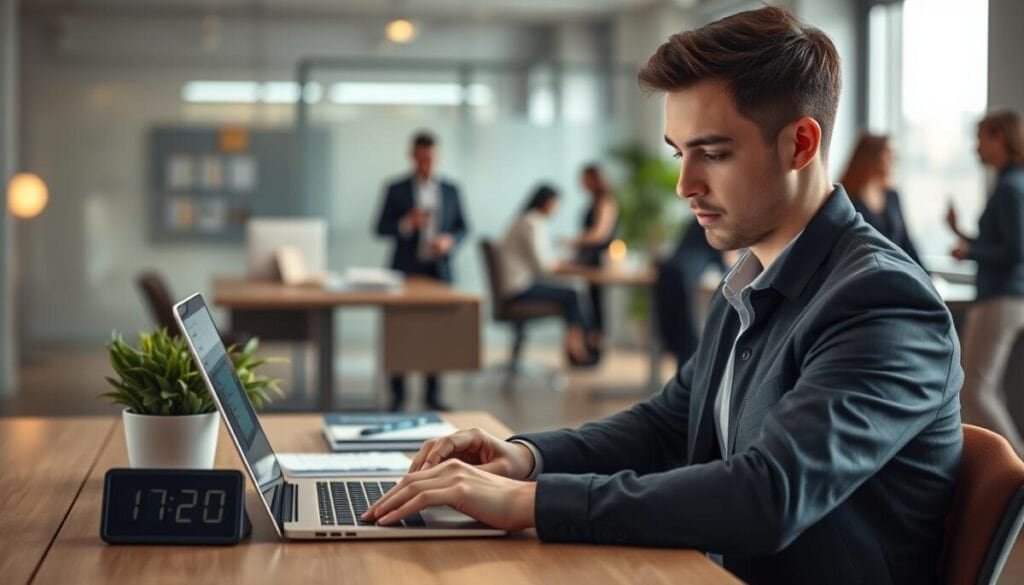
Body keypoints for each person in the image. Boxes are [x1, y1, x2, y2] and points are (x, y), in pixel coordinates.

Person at [364, 7, 962, 585]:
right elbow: (668, 426)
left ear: (800, 144)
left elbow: (767, 495)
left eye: (714, 153)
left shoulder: (882, 301)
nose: (685, 185)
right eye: (681, 153)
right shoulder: (751, 281)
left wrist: (532, 502)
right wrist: (523, 458)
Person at [947, 110, 1024, 456]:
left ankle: (1017, 470)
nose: (976, 146)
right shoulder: (1011, 183)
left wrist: (971, 251)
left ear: (999, 138)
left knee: (975, 389)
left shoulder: (1010, 187)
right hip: (1003, 296)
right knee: (986, 388)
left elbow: (1015, 250)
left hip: (1001, 297)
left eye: (981, 138)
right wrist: (961, 235)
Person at [374, 131, 469, 412]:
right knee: (400, 332)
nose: (426, 162)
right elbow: (379, 227)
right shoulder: (396, 188)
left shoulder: (451, 189)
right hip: (404, 269)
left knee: (436, 333)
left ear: (437, 157)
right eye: (421, 157)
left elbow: (463, 227)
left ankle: (432, 393)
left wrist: (449, 241)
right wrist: (406, 224)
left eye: (431, 157)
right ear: (412, 156)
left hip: (439, 270)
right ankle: (397, 395)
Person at [499, 185, 596, 367]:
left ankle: (580, 342)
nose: (556, 209)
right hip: (519, 288)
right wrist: (566, 266)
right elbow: (543, 266)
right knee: (573, 294)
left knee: (573, 289)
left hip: (515, 285)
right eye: (555, 204)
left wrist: (561, 265)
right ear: (547, 203)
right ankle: (576, 347)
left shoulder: (524, 220)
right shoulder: (532, 222)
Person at [840, 133, 923, 266]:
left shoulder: (892, 196)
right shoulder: (847, 198)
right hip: (862, 275)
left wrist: (927, 275)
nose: (894, 159)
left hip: (898, 274)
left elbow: (906, 241)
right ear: (872, 157)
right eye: (888, 153)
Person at [655, 216, 726, 367]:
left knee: (682, 335)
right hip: (683, 278)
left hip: (671, 273)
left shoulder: (700, 221)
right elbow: (721, 257)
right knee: (687, 337)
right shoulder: (713, 222)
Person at [566, 164, 619, 357]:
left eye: (584, 179)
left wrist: (573, 241)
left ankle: (595, 347)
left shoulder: (606, 201)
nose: (581, 183)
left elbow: (600, 234)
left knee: (596, 302)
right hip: (588, 257)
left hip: (598, 259)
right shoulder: (594, 201)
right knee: (587, 300)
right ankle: (585, 345)